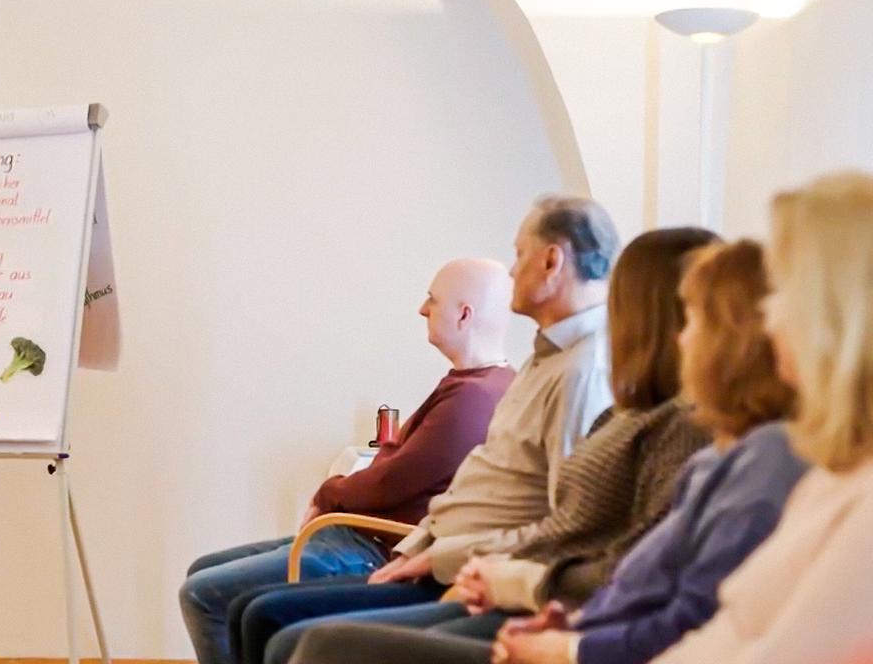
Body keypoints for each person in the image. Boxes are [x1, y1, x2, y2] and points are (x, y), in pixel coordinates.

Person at [287, 239, 809, 664]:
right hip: (529, 591)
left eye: (696, 323)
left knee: (305, 638)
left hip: (547, 604)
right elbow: (621, 562)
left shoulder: (709, 440)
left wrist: (556, 629)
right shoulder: (630, 413)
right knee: (289, 628)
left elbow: (649, 585)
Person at [232, 196, 619, 664]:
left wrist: (445, 562)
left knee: (280, 628)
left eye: (519, 255)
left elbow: (563, 524)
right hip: (436, 557)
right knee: (261, 616)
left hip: (469, 575)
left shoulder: (582, 372)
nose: (512, 272)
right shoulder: (544, 359)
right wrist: (417, 550)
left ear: (553, 260)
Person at [179, 258, 516, 664]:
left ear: (464, 315)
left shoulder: (473, 398)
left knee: (203, 594)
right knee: (203, 569)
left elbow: (389, 481)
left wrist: (329, 491)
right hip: (360, 532)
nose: (422, 309)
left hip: (375, 544)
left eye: (432, 299)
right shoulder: (475, 384)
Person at [654, 172, 873, 664]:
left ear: (838, 312)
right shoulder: (832, 472)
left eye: (780, 289)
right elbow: (729, 634)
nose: (768, 317)